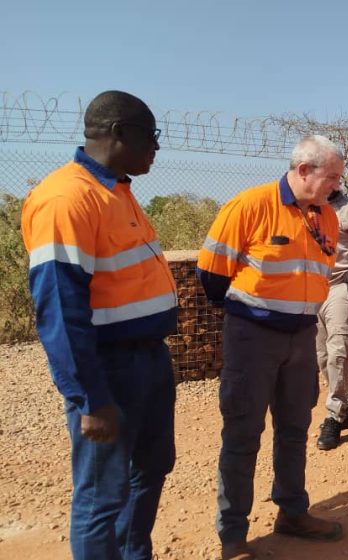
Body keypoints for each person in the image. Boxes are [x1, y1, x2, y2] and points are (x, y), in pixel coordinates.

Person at [21, 90, 178, 559]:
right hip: (109, 368)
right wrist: (90, 398)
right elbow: (60, 313)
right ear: (118, 133)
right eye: (151, 137)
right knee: (101, 496)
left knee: (150, 469)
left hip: (149, 359)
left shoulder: (116, 191)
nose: (155, 149)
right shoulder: (66, 199)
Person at [198, 135, 345, 560]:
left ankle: (292, 511)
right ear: (303, 170)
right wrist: (252, 315)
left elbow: (319, 272)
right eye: (331, 177)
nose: (335, 185)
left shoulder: (327, 217)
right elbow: (211, 276)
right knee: (243, 432)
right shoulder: (250, 205)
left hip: (302, 335)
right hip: (252, 338)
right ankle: (233, 535)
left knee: (295, 428)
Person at [315, 188, 348, 451]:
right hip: (313, 288)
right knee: (322, 356)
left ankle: (334, 416)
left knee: (338, 353)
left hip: (341, 287)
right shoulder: (307, 209)